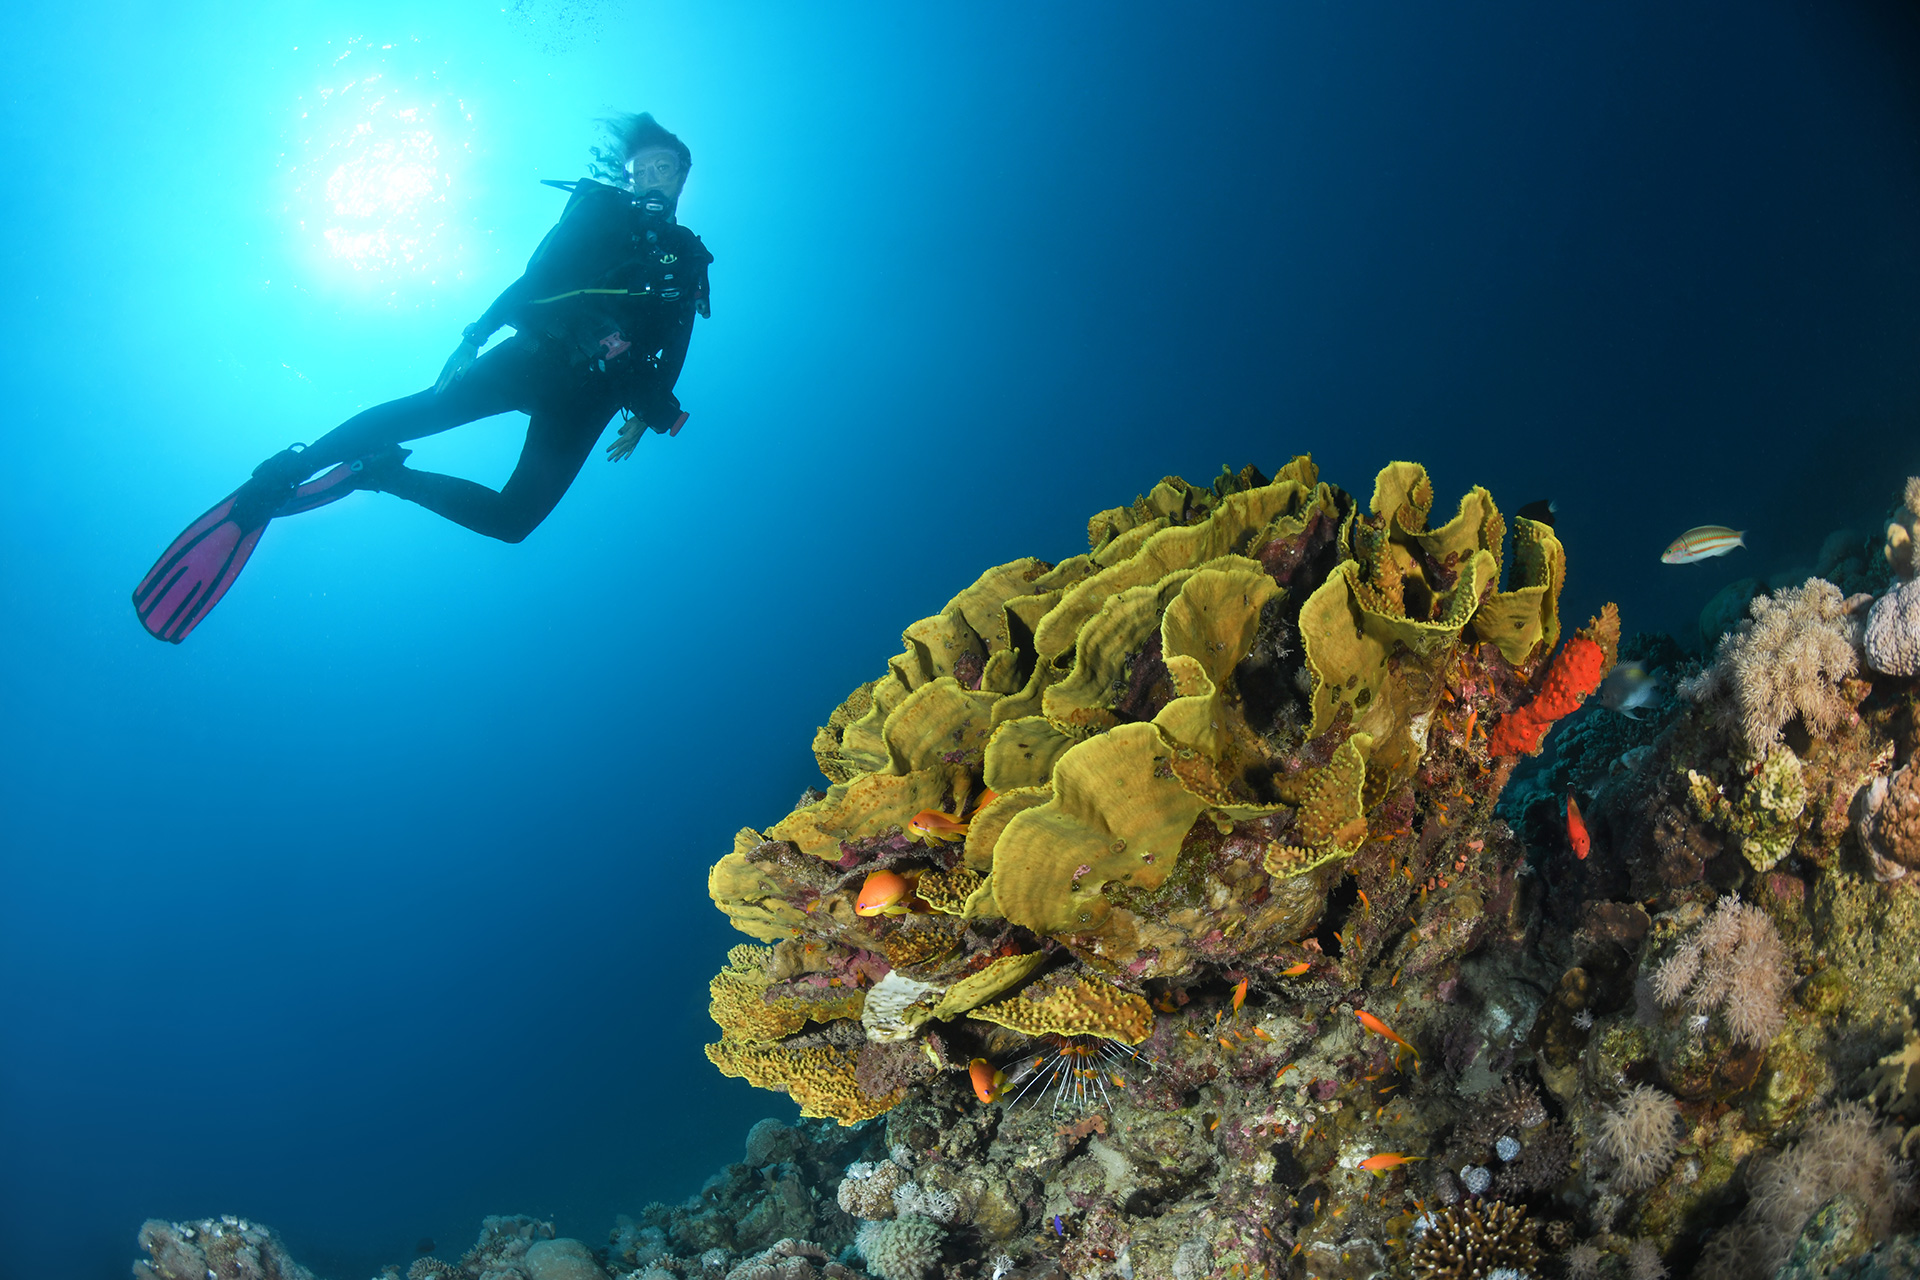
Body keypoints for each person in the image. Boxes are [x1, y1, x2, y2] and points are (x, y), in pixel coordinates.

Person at [133, 113, 712, 643]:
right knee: (422, 410)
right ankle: (285, 472)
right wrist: (474, 335)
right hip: (538, 354)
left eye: (664, 168)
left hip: (596, 396)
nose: (652, 178)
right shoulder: (603, 214)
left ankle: (382, 474)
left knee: (515, 522)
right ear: (630, 177)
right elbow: (537, 276)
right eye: (642, 170)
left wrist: (644, 411)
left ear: (682, 177)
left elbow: (677, 335)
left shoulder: (688, 257)